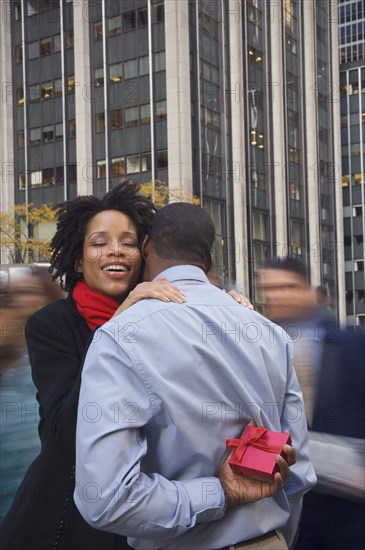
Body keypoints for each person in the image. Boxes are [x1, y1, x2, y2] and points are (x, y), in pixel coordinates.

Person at [74, 203, 316, 550]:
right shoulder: (270, 333)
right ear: (210, 261)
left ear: (146, 249)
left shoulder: (120, 336)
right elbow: (299, 473)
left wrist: (220, 492)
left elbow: (107, 500)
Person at [0, 182, 186, 550]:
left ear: (144, 254)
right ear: (77, 259)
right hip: (67, 519)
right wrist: (119, 327)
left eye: (129, 242)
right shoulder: (51, 325)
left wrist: (222, 304)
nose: (115, 250)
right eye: (99, 243)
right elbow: (66, 431)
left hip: (151, 509)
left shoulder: (168, 317)